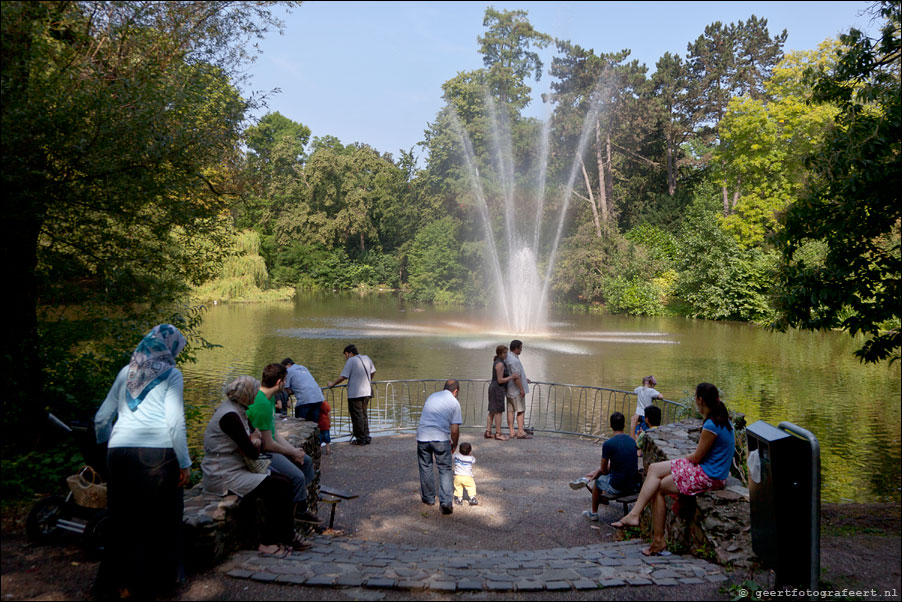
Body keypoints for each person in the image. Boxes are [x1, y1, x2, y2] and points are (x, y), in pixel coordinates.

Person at [93, 324, 191, 598]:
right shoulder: (172, 374)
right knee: (159, 522)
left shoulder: (126, 372)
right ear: (170, 348)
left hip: (118, 453)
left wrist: (105, 456)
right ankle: (152, 586)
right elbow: (174, 422)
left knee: (121, 520)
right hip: (156, 457)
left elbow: (102, 419)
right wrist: (185, 463)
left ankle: (114, 586)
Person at [611, 383, 735, 557]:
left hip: (710, 475)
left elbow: (697, 457)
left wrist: (679, 461)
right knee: (655, 471)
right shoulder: (722, 419)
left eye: (695, 399)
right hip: (709, 471)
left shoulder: (712, 425)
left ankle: (656, 538)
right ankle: (638, 518)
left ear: (700, 400)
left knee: (659, 486)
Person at [201, 376, 310, 556]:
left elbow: (253, 439)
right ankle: (269, 541)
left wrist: (254, 439)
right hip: (223, 474)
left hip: (235, 468)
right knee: (281, 486)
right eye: (253, 392)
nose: (255, 395)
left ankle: (284, 536)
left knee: (284, 481)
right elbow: (252, 451)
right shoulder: (229, 416)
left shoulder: (238, 410)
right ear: (245, 394)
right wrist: (255, 440)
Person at [246, 363, 320, 525]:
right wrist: (292, 453)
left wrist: (294, 450)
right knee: (298, 477)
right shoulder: (261, 404)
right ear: (280, 382)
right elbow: (267, 444)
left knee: (306, 461)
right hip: (261, 453)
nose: (286, 384)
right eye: (285, 380)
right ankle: (290, 519)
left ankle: (299, 506)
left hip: (268, 447)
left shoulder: (269, 398)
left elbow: (274, 433)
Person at [569, 412, 640, 521]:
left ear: (610, 425)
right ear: (624, 425)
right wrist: (598, 471)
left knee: (598, 481)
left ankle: (593, 513)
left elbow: (604, 470)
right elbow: (619, 462)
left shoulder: (608, 444)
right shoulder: (632, 441)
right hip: (634, 486)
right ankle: (600, 495)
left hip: (619, 487)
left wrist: (598, 472)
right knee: (602, 473)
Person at [416, 379, 463, 515]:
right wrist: (454, 444)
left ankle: (429, 498)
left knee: (425, 467)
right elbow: (454, 430)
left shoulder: (432, 396)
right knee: (445, 469)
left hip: (423, 436)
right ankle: (446, 502)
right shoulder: (454, 403)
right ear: (455, 391)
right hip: (441, 438)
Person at [327, 344, 376, 445]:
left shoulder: (351, 361)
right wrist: (368, 381)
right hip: (367, 391)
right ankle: (366, 436)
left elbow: (343, 377)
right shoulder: (366, 358)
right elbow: (373, 371)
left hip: (355, 393)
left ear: (350, 353)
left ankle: (360, 439)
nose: (346, 357)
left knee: (357, 416)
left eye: (346, 354)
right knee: (364, 415)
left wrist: (332, 384)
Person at [281, 358, 325, 422]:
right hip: (318, 398)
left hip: (305, 400)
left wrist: (288, 397)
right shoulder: (303, 368)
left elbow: (286, 389)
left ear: (288, 364)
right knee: (315, 424)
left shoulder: (288, 370)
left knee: (301, 423)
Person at [504, 339, 532, 439]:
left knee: (510, 411)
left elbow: (515, 374)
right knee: (520, 410)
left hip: (509, 389)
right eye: (520, 348)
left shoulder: (508, 357)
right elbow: (516, 377)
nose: (521, 350)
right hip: (516, 390)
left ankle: (511, 431)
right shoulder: (514, 360)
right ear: (516, 349)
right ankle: (520, 431)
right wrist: (521, 389)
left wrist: (524, 379)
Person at [485, 345, 513, 441]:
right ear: (500, 353)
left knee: (492, 410)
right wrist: (511, 377)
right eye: (504, 353)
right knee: (498, 412)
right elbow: (500, 380)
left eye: (506, 353)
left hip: (494, 387)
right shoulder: (500, 364)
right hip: (498, 388)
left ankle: (488, 432)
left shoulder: (498, 362)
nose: (506, 355)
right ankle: (498, 433)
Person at [631, 375, 663, 440]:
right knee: (645, 432)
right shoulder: (651, 391)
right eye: (654, 385)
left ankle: (636, 443)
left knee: (637, 431)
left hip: (637, 414)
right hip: (646, 414)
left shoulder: (639, 389)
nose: (654, 387)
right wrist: (655, 396)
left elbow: (634, 391)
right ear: (651, 384)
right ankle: (643, 446)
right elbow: (661, 396)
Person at [453, 442, 478, 506]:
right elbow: (474, 461)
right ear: (470, 451)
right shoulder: (471, 458)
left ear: (459, 450)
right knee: (471, 487)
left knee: (458, 487)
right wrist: (470, 455)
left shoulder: (456, 456)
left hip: (458, 476)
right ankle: (472, 498)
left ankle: (459, 499)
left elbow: (453, 456)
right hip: (467, 477)